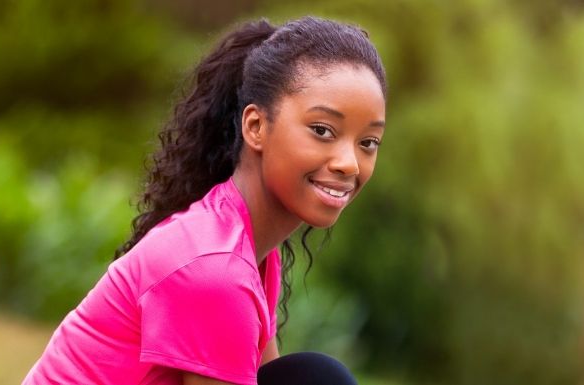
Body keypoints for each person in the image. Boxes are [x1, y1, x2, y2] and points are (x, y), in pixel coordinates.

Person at [22, 16, 387, 385]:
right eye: (322, 131)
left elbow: (265, 376)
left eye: (368, 143)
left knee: (313, 378)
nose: (349, 163)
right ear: (256, 127)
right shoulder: (215, 270)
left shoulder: (249, 248)